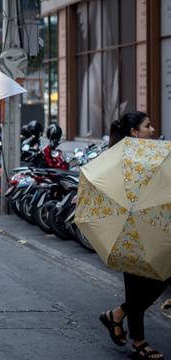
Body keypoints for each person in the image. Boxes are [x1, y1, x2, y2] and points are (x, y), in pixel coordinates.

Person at [99, 111, 168, 360]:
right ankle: (138, 341)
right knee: (138, 284)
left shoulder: (153, 155)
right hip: (130, 228)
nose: (152, 129)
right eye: (147, 126)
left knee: (160, 276)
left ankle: (117, 315)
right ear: (134, 133)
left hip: (151, 226)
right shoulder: (123, 159)